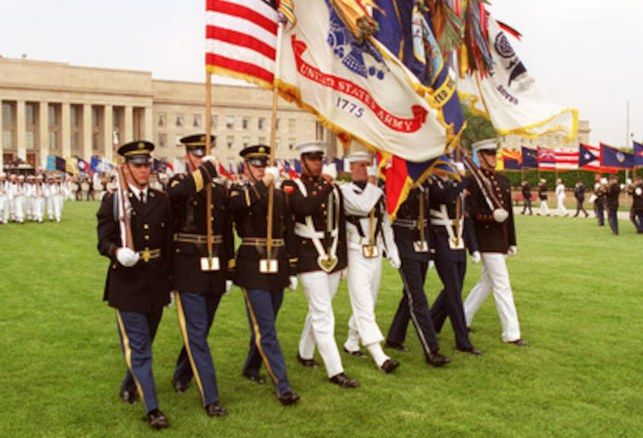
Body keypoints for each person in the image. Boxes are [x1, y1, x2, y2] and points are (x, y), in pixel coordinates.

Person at [96, 140, 173, 430]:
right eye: (138, 165)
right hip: (127, 284)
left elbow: (168, 243)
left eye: (147, 164)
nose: (144, 170)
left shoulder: (160, 199)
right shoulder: (113, 201)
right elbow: (102, 241)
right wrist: (117, 252)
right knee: (141, 348)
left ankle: (129, 383)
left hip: (155, 281)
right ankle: (152, 408)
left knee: (144, 342)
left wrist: (171, 285)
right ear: (125, 168)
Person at [166, 134, 234, 417]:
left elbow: (227, 231)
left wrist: (229, 268)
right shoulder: (177, 183)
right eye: (196, 154)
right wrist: (204, 172)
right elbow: (177, 195)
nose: (201, 158)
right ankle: (211, 397)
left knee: (201, 329)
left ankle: (181, 372)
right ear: (187, 157)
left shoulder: (219, 190)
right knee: (197, 333)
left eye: (205, 154)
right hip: (187, 267)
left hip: (215, 267)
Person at [229, 144, 301, 405]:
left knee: (265, 323)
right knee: (266, 329)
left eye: (263, 165)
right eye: (255, 165)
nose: (260, 169)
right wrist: (266, 182)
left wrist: (292, 268)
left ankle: (251, 367)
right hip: (252, 266)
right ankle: (283, 385)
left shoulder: (280, 195)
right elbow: (238, 206)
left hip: (278, 264)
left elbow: (289, 231)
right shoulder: (239, 191)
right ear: (245, 167)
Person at [285, 140, 359, 388]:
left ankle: (305, 352)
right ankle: (335, 369)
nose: (318, 163)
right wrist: (328, 185)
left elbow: (339, 223)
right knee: (324, 314)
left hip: (332, 256)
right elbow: (304, 207)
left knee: (320, 309)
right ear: (302, 161)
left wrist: (344, 261)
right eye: (313, 159)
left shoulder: (333, 188)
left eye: (320, 159)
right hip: (309, 257)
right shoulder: (292, 185)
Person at [340, 149, 401, 373]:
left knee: (369, 301)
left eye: (368, 165)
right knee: (364, 304)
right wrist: (375, 182)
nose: (365, 169)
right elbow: (364, 206)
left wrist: (392, 251)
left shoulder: (377, 193)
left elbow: (385, 223)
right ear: (351, 168)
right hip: (355, 252)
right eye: (360, 166)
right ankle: (379, 355)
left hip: (374, 253)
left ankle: (351, 340)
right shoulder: (344, 191)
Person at [463, 139, 526, 346]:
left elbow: (509, 214)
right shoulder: (473, 181)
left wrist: (512, 241)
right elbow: (470, 214)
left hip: (500, 240)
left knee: (487, 283)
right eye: (489, 155)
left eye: (494, 154)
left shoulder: (503, 180)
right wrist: (490, 217)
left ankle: (463, 318)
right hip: (486, 239)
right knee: (502, 285)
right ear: (480, 157)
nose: (494, 158)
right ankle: (511, 333)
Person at [385, 179, 451, 367]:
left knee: (410, 295)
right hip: (403, 241)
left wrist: (429, 249)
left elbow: (427, 217)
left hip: (421, 241)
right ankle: (432, 350)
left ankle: (394, 337)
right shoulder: (397, 180)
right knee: (417, 297)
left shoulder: (425, 182)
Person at [428, 164, 482, 355]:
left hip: (458, 242)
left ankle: (432, 322)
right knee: (454, 294)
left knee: (454, 289)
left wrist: (473, 247)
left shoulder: (453, 185)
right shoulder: (431, 183)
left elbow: (465, 217)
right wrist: (463, 182)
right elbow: (443, 197)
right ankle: (463, 340)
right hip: (442, 240)